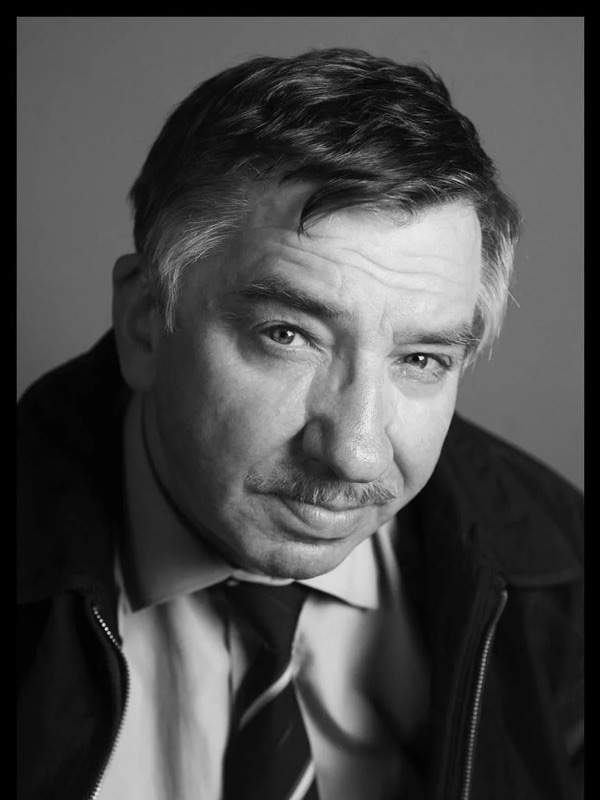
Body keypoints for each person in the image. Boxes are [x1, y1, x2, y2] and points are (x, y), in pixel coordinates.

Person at [17, 47, 583, 800]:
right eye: (288, 335)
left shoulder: (567, 591)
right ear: (146, 321)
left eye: (421, 359)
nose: (355, 453)